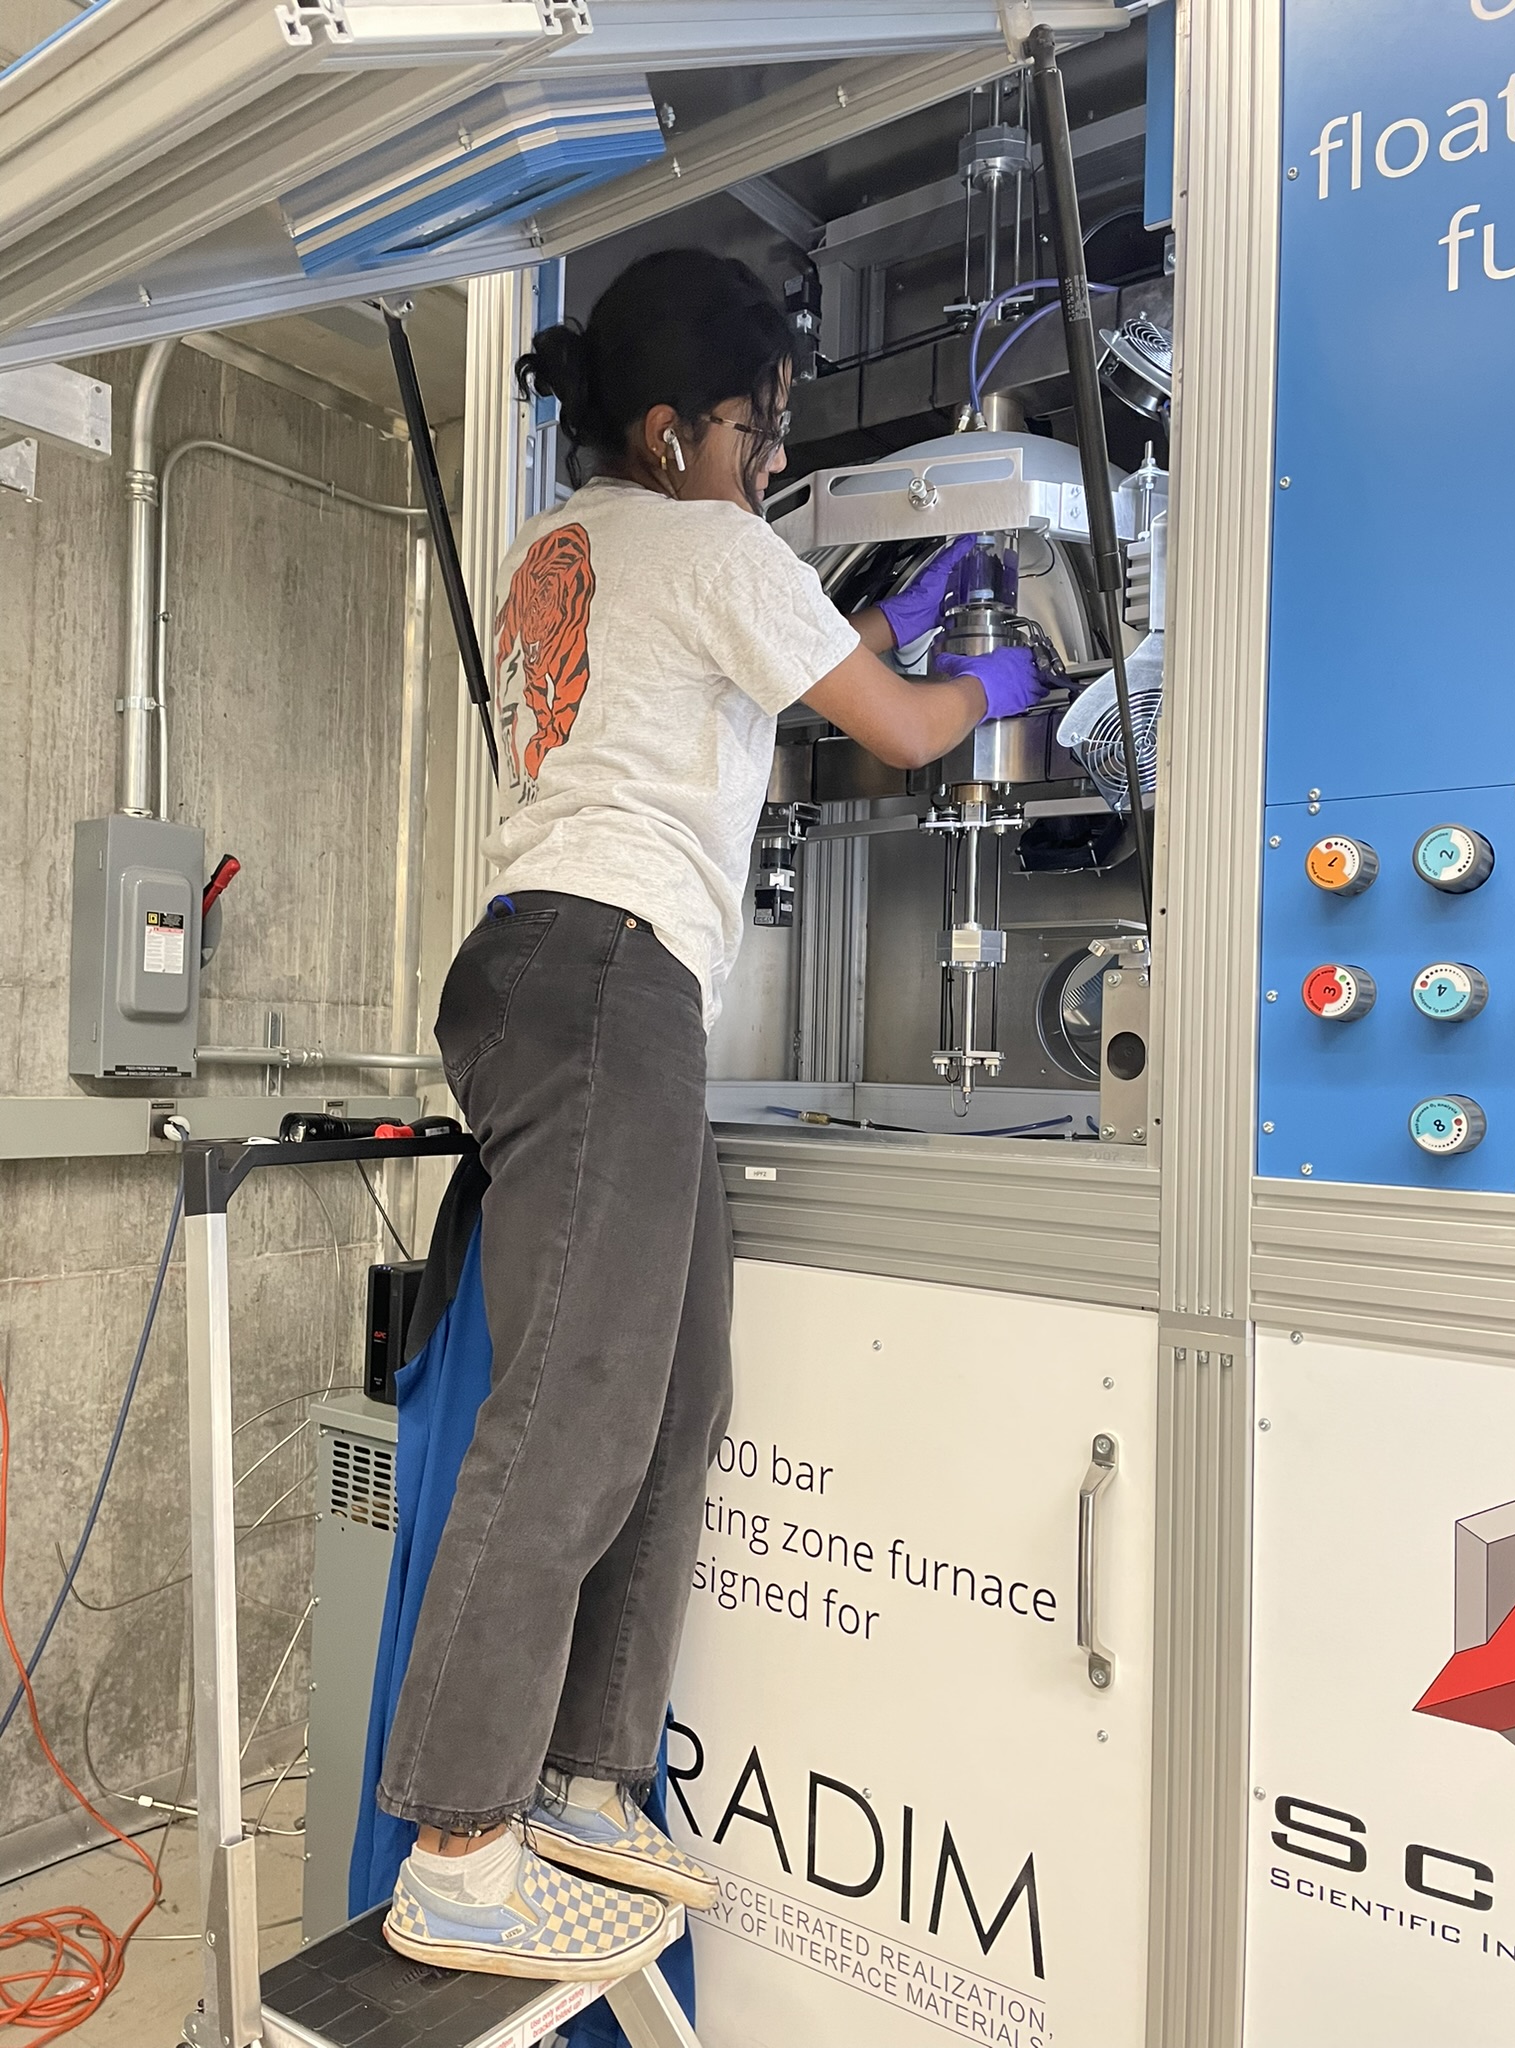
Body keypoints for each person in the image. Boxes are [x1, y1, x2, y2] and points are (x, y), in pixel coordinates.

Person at [378, 247, 1042, 1979]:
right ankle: (461, 1843)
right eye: (754, 428)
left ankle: (592, 1777)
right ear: (674, 428)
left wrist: (894, 608)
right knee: (577, 1411)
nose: (768, 458)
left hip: (563, 970)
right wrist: (998, 684)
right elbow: (893, 733)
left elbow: (765, 670)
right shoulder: (709, 540)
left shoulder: (573, 545)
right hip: (611, 982)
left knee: (675, 1390)